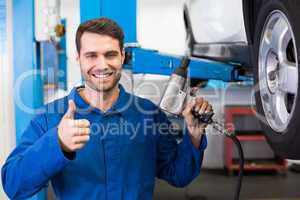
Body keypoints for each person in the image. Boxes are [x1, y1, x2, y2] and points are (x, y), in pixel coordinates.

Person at [1, 17, 213, 200]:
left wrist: (194, 134)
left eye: (110, 54)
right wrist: (57, 144)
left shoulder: (147, 115)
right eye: (91, 55)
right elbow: (14, 184)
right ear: (78, 59)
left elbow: (179, 174)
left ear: (122, 56)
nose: (102, 65)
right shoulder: (50, 118)